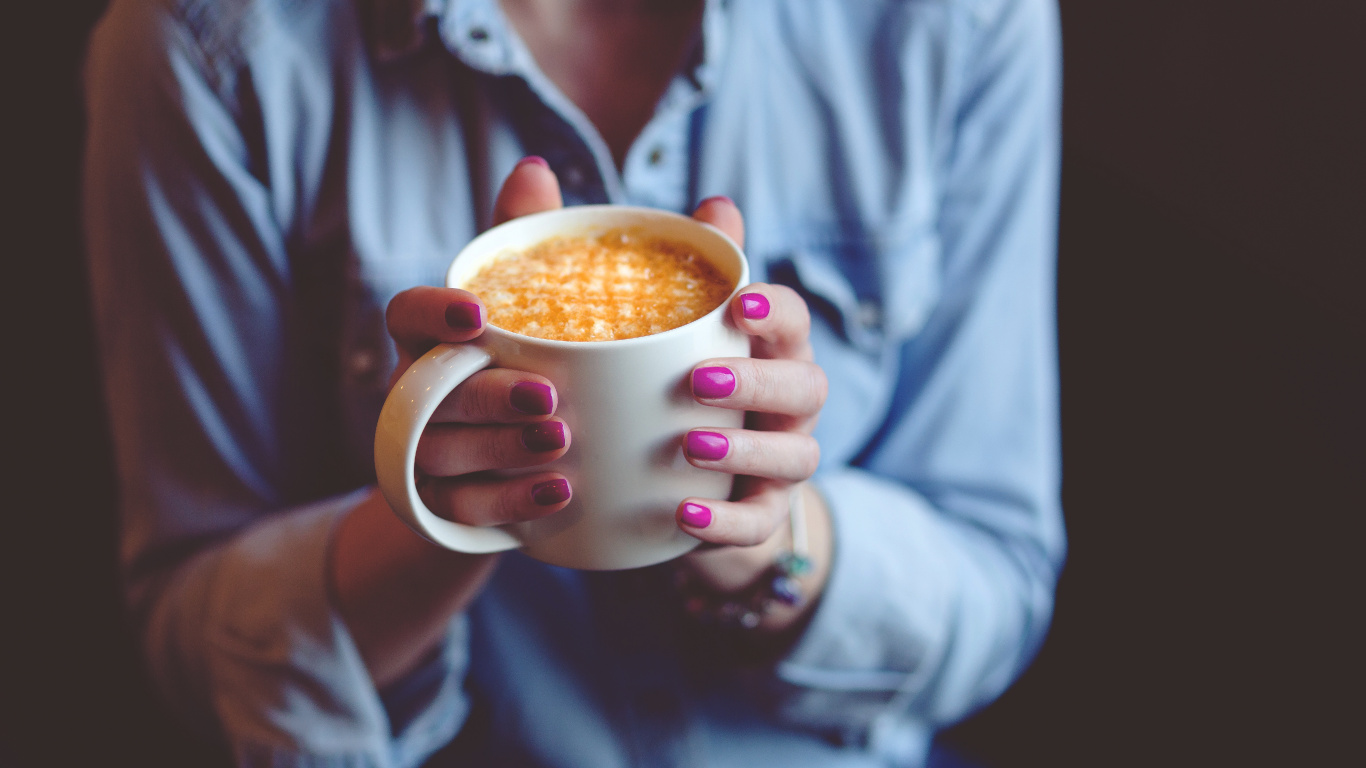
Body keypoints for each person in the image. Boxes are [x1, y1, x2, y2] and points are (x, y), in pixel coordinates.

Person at [83, 0, 1065, 765]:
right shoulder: (210, 48)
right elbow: (188, 637)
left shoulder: (956, 23)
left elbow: (999, 574)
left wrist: (772, 540)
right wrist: (440, 519)